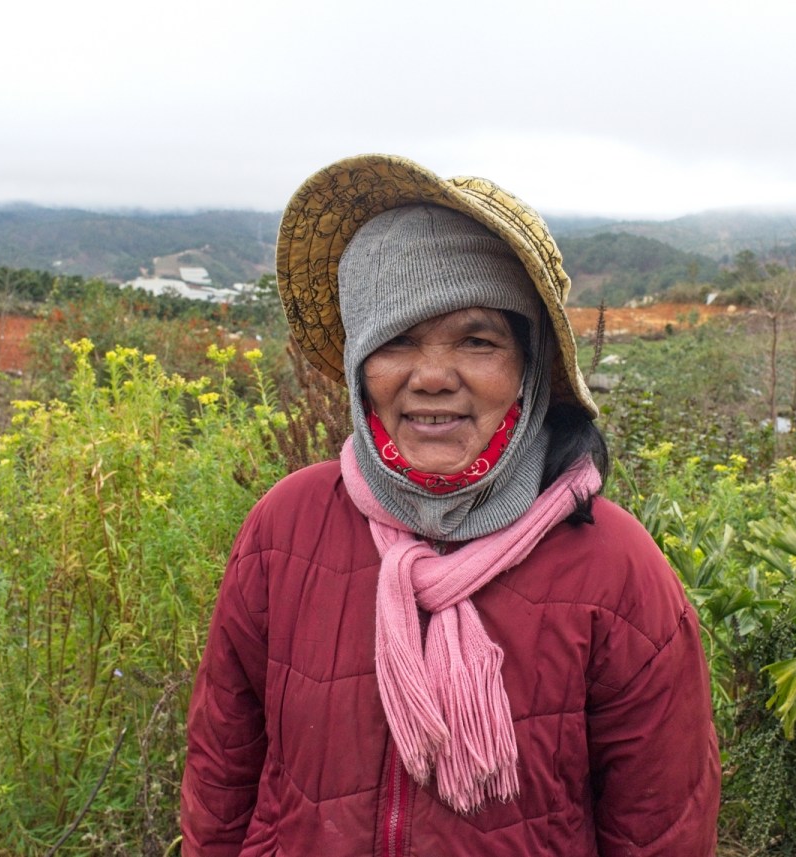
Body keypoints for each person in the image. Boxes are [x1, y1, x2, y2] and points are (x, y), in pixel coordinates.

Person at [181, 154, 720, 855]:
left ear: (528, 365)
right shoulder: (287, 527)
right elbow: (222, 769)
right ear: (360, 366)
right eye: (396, 338)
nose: (432, 376)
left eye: (477, 340)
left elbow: (662, 826)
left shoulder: (616, 569)